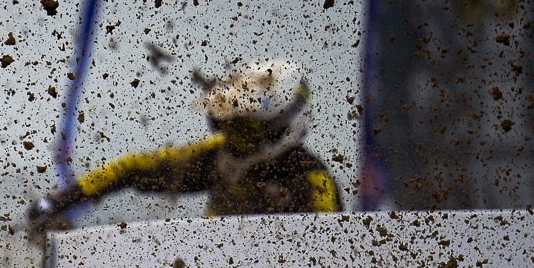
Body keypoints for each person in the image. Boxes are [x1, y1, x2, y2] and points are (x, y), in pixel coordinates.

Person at [30, 59, 343, 223]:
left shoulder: (310, 179)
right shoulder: (214, 156)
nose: (232, 138)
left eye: (245, 129)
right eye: (226, 126)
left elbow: (333, 251)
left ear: (284, 125)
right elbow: (133, 169)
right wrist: (60, 201)